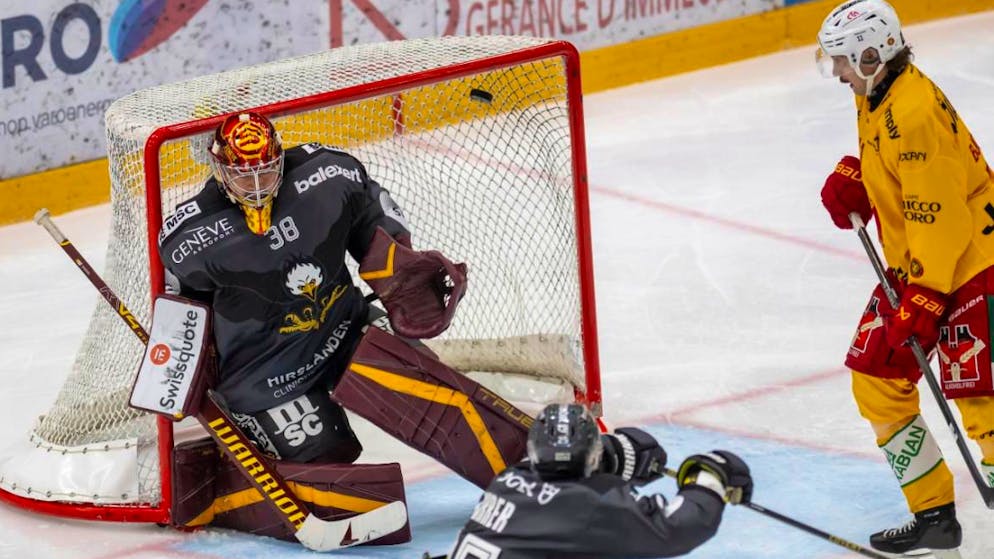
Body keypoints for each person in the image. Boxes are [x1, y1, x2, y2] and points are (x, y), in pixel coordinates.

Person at [158, 111, 467, 465]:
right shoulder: (190, 240)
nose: (258, 185)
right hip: (265, 374)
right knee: (325, 455)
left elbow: (370, 211)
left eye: (267, 169)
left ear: (280, 155)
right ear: (221, 171)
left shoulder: (328, 175)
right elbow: (181, 320)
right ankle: (250, 423)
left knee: (433, 396)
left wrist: (400, 265)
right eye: (245, 176)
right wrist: (179, 375)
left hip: (346, 328)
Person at [816, 0, 994, 555]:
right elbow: (910, 182)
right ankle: (935, 514)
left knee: (984, 406)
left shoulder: (911, 111)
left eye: (844, 61)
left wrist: (926, 297)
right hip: (918, 264)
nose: (839, 72)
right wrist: (865, 185)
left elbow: (943, 216)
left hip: (966, 266)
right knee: (876, 381)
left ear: (872, 54)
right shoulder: (878, 92)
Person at [445, 403, 752, 558]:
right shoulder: (589, 508)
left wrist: (617, 454)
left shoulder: (508, 480)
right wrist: (708, 481)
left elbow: (560, 464)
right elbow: (677, 528)